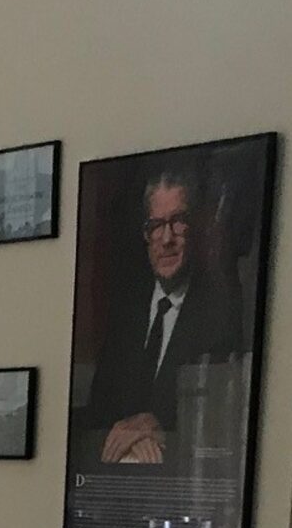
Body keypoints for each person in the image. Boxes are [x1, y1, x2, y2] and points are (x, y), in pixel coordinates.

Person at [80, 169, 242, 468]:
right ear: (146, 234)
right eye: (156, 225)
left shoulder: (222, 314)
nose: (166, 239)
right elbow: (98, 414)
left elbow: (222, 421)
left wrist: (159, 428)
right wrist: (128, 436)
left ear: (196, 227)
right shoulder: (125, 314)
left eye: (178, 222)